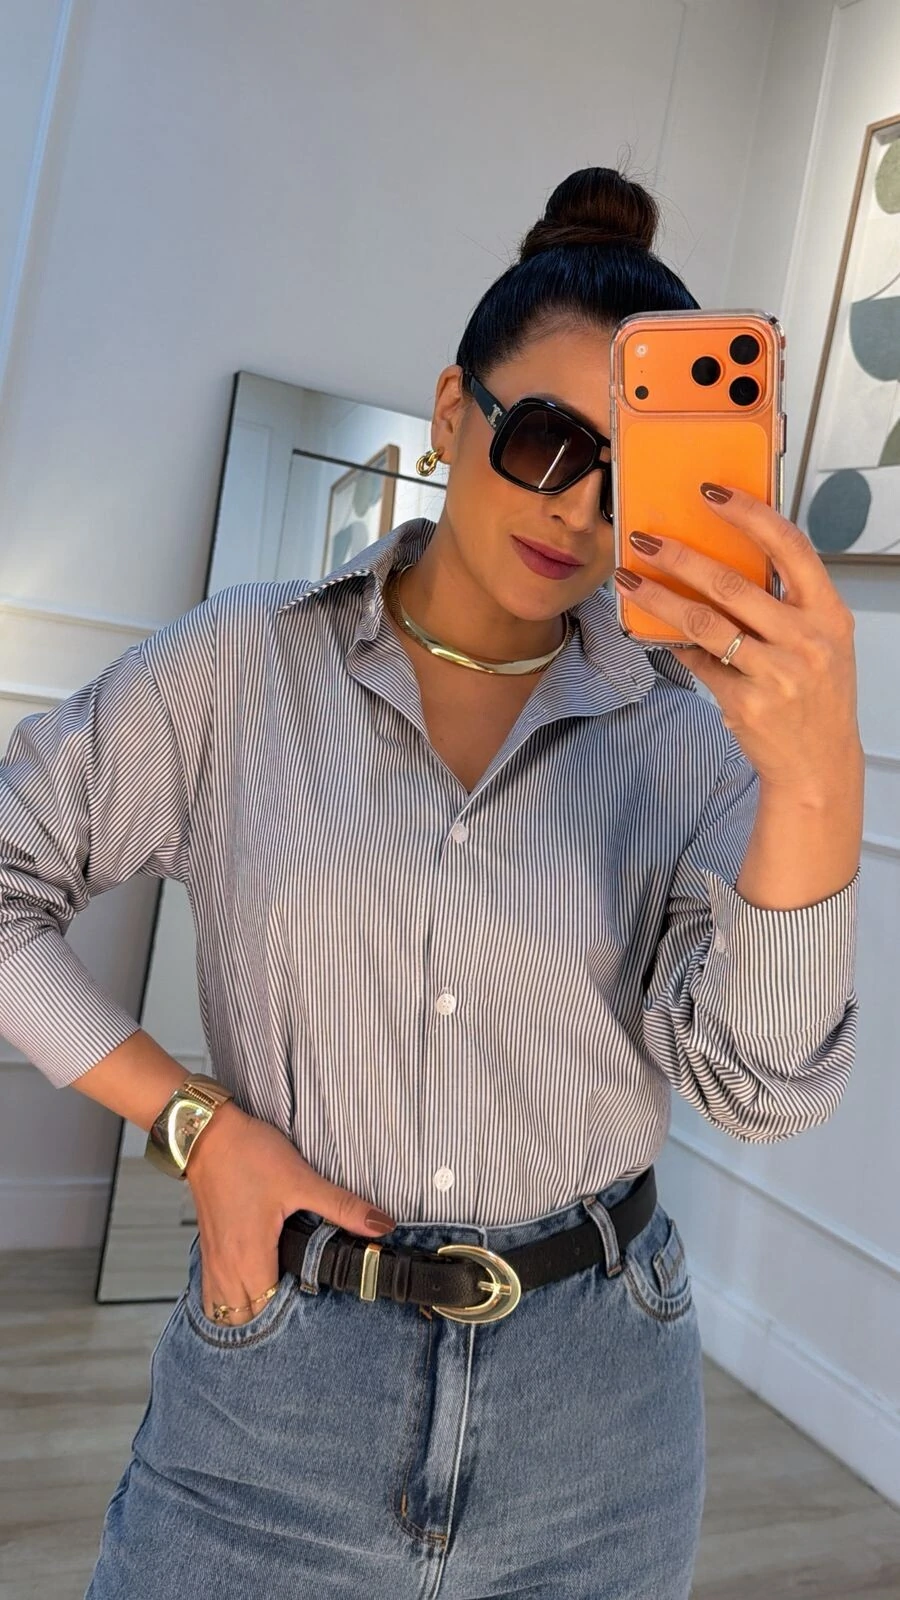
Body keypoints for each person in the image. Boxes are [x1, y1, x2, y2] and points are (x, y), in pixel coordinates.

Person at [0, 167, 862, 1600]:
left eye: (627, 480)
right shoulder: (240, 667)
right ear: (455, 411)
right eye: (545, 440)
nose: (576, 509)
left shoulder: (688, 742)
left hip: (599, 1411)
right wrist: (193, 1121)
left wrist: (819, 778)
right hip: (277, 1389)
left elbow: (759, 1088)